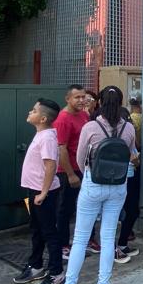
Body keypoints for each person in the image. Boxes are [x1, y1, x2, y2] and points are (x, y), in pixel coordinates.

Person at [58, 86, 137, 284]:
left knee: (81, 238)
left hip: (93, 183)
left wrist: (91, 176)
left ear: (100, 102)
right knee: (108, 237)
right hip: (119, 185)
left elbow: (81, 157)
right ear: (121, 102)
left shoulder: (91, 126)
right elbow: (131, 154)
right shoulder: (128, 128)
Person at [12, 99, 65, 284]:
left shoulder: (48, 138)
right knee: (36, 228)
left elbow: (51, 165)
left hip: (44, 192)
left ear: (42, 118)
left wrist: (43, 192)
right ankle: (36, 266)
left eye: (33, 110)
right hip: (33, 190)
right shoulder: (41, 134)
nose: (29, 112)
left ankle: (56, 273)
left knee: (49, 232)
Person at [54, 86, 90, 260]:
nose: (81, 100)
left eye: (83, 97)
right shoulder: (63, 119)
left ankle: (83, 241)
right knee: (65, 209)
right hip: (68, 171)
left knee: (83, 208)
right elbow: (61, 149)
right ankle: (62, 245)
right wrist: (70, 174)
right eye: (77, 97)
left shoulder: (84, 115)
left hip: (84, 168)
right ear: (68, 98)